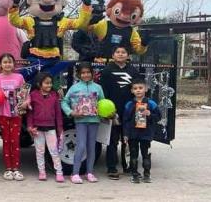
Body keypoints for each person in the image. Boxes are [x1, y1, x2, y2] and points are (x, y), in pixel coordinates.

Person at [100, 45, 140, 179]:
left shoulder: (133, 71)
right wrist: (107, 111)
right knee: (112, 141)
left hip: (129, 112)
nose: (121, 54)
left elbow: (138, 90)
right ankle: (112, 168)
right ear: (113, 55)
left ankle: (128, 166)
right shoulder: (106, 71)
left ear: (128, 55)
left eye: (124, 52)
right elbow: (103, 93)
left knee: (128, 140)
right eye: (117, 52)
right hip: (113, 113)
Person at [62, 62, 105, 184]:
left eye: (88, 72)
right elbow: (64, 102)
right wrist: (71, 112)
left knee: (91, 147)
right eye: (83, 73)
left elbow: (103, 103)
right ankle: (75, 173)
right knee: (80, 146)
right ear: (79, 74)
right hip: (80, 121)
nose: (86, 75)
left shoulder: (98, 87)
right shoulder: (74, 88)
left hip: (94, 121)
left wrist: (108, 113)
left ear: (92, 73)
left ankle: (89, 172)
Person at [0, 52, 26, 181]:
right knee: (6, 140)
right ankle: (8, 169)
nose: (7, 64)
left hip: (16, 114)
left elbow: (25, 95)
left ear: (14, 64)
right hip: (2, 114)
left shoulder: (19, 77)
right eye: (5, 62)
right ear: (0, 65)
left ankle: (16, 168)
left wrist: (26, 103)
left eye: (10, 62)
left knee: (15, 140)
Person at [27, 72, 65, 182]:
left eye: (50, 83)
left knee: (54, 151)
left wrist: (60, 129)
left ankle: (59, 172)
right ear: (39, 84)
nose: (49, 85)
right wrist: (30, 126)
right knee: (39, 151)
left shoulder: (54, 95)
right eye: (46, 83)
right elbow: (30, 113)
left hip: (51, 128)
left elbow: (58, 114)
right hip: (37, 129)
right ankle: (42, 172)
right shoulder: (33, 95)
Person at [123, 79, 161, 184]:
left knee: (145, 154)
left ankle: (147, 174)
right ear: (131, 91)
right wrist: (125, 134)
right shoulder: (129, 104)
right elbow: (125, 120)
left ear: (146, 89)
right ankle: (134, 174)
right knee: (133, 154)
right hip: (133, 134)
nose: (138, 91)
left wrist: (150, 114)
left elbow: (158, 117)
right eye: (135, 88)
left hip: (146, 134)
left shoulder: (151, 103)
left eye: (140, 88)